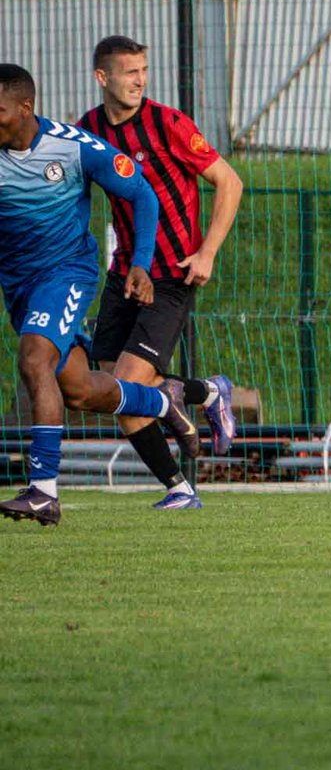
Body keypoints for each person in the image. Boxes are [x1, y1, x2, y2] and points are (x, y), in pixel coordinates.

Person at [0, 64, 178, 527]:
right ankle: (165, 401)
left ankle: (43, 491)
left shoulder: (74, 146)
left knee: (34, 359)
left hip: (66, 274)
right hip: (19, 285)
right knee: (77, 390)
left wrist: (140, 262)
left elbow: (143, 194)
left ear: (25, 107)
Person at [79, 36, 241, 510]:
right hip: (125, 273)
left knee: (129, 385)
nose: (140, 80)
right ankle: (202, 396)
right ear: (102, 77)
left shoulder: (168, 123)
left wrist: (207, 252)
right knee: (110, 388)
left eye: (144, 70)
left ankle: (179, 487)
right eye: (130, 72)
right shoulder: (89, 130)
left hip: (172, 274)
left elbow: (230, 182)